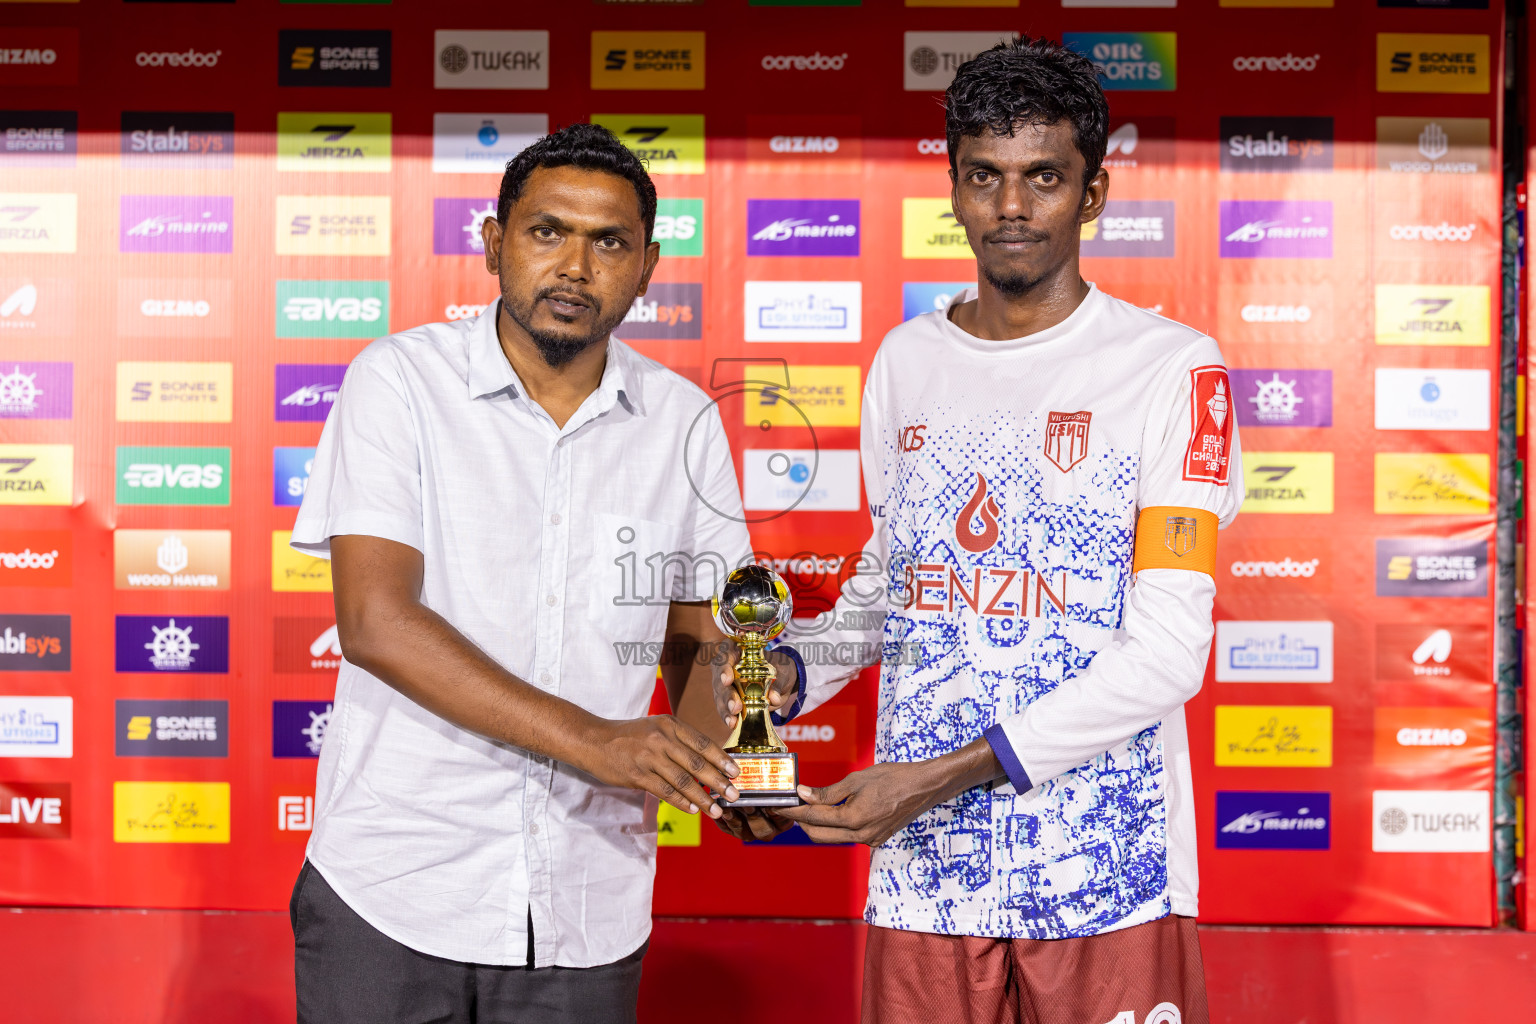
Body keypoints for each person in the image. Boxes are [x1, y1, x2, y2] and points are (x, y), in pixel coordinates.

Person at [724, 37, 1242, 1024]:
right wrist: (785, 678)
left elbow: (1169, 653)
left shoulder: (1174, 369)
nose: (1012, 207)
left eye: (1043, 177)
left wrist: (939, 776)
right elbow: (892, 585)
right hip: (927, 877)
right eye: (986, 178)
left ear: (1092, 194)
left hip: (1106, 871)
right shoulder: (905, 362)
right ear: (954, 188)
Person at [288, 123, 755, 1024]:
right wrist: (601, 741)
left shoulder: (684, 422)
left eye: (609, 242)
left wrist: (711, 763)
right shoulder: (399, 383)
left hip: (586, 898)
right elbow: (377, 622)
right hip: (392, 887)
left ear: (649, 266)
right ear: (495, 242)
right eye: (548, 232)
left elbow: (700, 643)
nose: (576, 266)